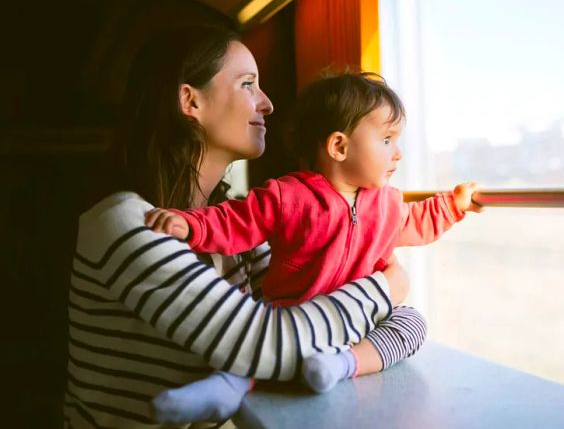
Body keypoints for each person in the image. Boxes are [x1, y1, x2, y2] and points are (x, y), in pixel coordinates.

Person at [63, 26, 413, 429]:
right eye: (248, 84)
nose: (267, 104)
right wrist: (388, 287)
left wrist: (391, 314)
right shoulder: (126, 223)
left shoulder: (237, 231)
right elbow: (265, 343)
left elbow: (313, 310)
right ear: (189, 100)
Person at [145, 72, 483, 423]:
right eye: (386, 139)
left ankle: (342, 364)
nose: (397, 154)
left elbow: (419, 221)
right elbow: (235, 221)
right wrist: (192, 224)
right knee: (253, 343)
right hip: (294, 316)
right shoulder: (286, 196)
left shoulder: (388, 205)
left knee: (412, 322)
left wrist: (454, 205)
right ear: (339, 146)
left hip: (361, 322)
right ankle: (226, 387)